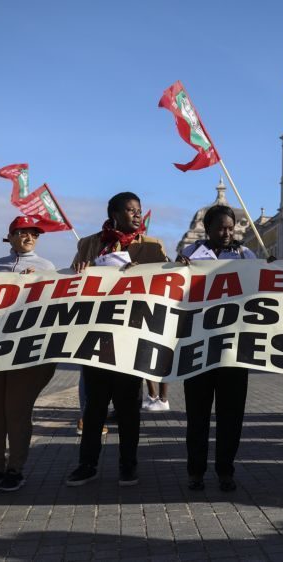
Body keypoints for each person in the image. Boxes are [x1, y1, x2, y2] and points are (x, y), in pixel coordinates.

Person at [66, 192, 169, 488]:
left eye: (139, 210)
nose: (136, 215)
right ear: (113, 213)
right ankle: (87, 464)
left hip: (131, 338)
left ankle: (128, 465)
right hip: (96, 339)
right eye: (129, 210)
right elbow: (73, 285)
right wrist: (78, 274)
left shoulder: (151, 246)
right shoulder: (88, 244)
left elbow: (170, 280)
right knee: (95, 407)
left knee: (128, 409)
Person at [0, 217, 57, 492]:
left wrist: (38, 284)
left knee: (17, 412)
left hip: (24, 352)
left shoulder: (46, 268)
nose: (29, 237)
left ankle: (15, 469)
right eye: (22, 232)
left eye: (34, 233)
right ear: (10, 236)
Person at [177, 204, 256, 492]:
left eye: (230, 227)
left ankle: (225, 470)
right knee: (197, 416)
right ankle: (195, 471)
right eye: (221, 228)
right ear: (208, 229)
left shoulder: (246, 256)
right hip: (197, 347)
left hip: (234, 349)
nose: (227, 233)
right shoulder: (189, 256)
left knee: (231, 415)